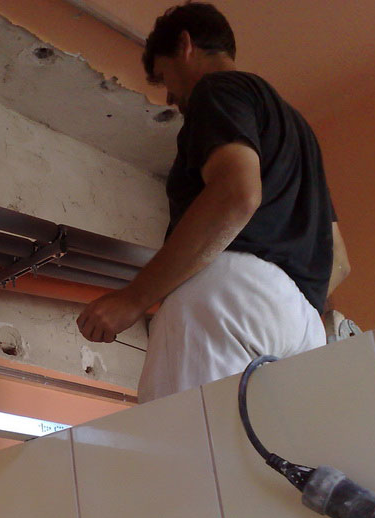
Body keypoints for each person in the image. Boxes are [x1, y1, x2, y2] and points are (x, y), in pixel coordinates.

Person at [76, 1, 350, 402]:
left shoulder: (217, 89)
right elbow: (340, 260)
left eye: (164, 77)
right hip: (304, 323)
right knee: (258, 441)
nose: (171, 96)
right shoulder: (298, 131)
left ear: (185, 45)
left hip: (229, 298)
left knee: (184, 433)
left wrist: (133, 299)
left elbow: (236, 195)